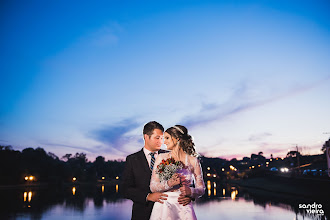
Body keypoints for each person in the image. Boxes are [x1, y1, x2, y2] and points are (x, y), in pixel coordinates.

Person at [121, 121, 192, 220]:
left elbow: (185, 181)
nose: (161, 141)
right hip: (142, 214)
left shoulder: (171, 156)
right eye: (157, 138)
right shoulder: (132, 159)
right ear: (146, 137)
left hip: (169, 213)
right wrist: (148, 196)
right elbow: (125, 189)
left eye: (162, 138)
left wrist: (188, 196)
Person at [149, 125, 205, 220]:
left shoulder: (193, 161)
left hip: (183, 207)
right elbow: (153, 187)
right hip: (163, 206)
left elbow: (201, 189)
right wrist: (168, 183)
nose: (164, 142)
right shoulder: (161, 158)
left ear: (177, 139)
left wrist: (191, 191)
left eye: (167, 138)